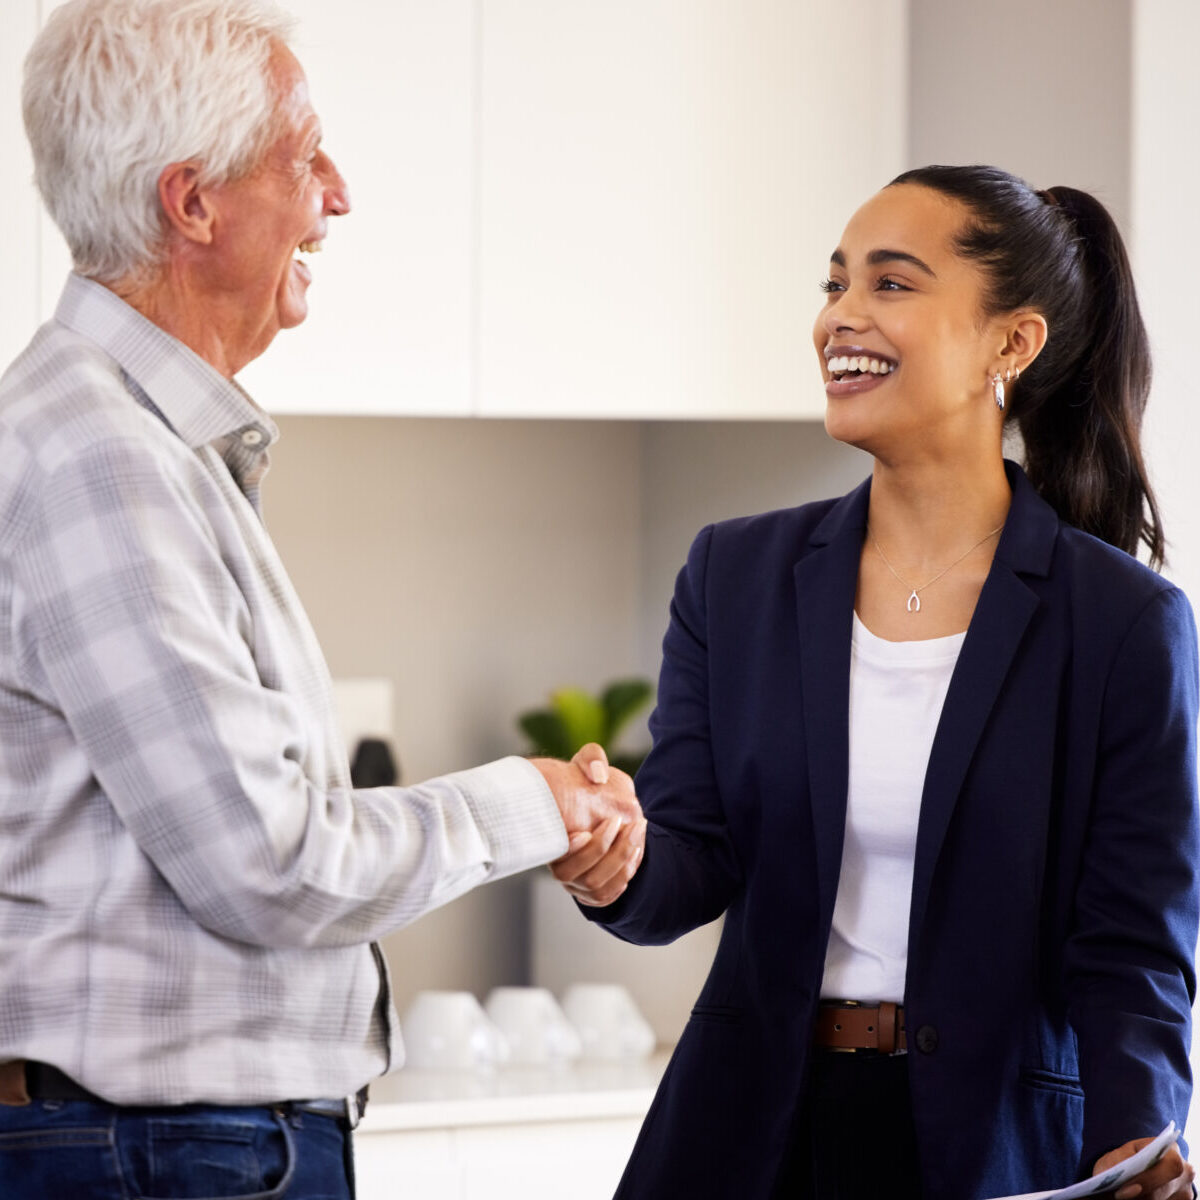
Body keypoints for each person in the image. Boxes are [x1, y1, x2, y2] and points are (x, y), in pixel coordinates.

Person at [0, 1, 644, 1197]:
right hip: (157, 1152)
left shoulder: (138, 443)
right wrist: (535, 802)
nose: (336, 197)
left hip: (168, 1143)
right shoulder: (101, 459)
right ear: (191, 204)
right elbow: (268, 861)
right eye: (304, 159)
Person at [569, 165, 1200, 1199]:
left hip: (992, 1144)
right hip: (749, 1135)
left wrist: (1135, 1137)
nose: (842, 318)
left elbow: (1132, 943)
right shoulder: (735, 574)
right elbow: (693, 855)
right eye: (835, 285)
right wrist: (615, 858)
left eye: (892, 285)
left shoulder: (1122, 622)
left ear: (1012, 342)